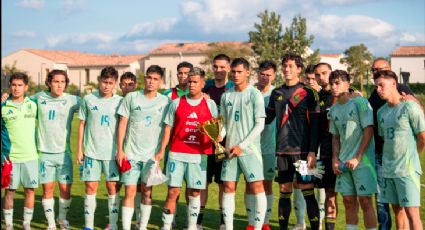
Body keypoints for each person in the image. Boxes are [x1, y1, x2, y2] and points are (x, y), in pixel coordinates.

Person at [155, 67, 219, 230]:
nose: (191, 85)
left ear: (203, 83)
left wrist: (216, 138)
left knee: (195, 193)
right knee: (172, 192)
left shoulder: (210, 104)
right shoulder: (176, 103)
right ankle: (166, 226)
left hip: (199, 156)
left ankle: (191, 226)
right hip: (176, 153)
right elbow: (168, 127)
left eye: (195, 82)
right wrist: (162, 150)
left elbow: (216, 130)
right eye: (189, 81)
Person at [266, 53, 321, 230]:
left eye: (291, 66)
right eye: (284, 65)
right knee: (284, 192)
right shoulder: (276, 93)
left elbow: (315, 126)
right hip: (282, 152)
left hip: (302, 152)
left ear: (299, 69)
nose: (287, 69)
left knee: (308, 192)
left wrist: (312, 151)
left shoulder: (309, 93)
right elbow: (266, 118)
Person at [117, 65, 170, 230]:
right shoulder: (132, 97)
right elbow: (123, 124)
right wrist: (120, 150)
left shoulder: (165, 101)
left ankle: (142, 226)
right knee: (129, 192)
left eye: (155, 79)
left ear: (161, 82)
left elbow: (168, 127)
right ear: (144, 78)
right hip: (131, 154)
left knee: (147, 192)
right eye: (148, 77)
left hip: (151, 157)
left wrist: (161, 151)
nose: (151, 82)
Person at [374, 70, 424, 230]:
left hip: (407, 170)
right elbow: (386, 139)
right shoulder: (381, 112)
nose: (378, 90)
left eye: (382, 85)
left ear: (394, 84)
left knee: (412, 214)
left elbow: (422, 137)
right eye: (376, 87)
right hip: (388, 170)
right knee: (398, 213)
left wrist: (412, 158)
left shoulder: (409, 107)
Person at [220, 58, 266, 230]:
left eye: (239, 72)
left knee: (256, 186)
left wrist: (243, 146)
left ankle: (258, 226)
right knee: (228, 186)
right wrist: (219, 136)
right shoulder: (226, 95)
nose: (236, 75)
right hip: (230, 150)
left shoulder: (255, 94)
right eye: (233, 71)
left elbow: (259, 124)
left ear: (247, 72)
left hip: (250, 150)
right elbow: (224, 123)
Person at [368, 57, 413, 230]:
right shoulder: (373, 96)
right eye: (373, 70)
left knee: (403, 204)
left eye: (380, 69)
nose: (376, 73)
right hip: (380, 155)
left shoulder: (402, 90)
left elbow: (416, 116)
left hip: (401, 157)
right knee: (381, 200)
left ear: (390, 70)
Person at [329, 70, 377, 230]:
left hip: (362, 162)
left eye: (338, 83)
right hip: (343, 162)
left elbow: (368, 130)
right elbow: (335, 137)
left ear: (348, 84)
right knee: (348, 202)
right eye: (332, 83)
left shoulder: (360, 103)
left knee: (365, 201)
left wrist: (357, 157)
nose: (334, 86)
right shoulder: (334, 110)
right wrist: (335, 158)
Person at [33, 70, 80, 230]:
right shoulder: (38, 98)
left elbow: (93, 105)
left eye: (62, 82)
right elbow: (20, 102)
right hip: (44, 154)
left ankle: (62, 219)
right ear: (49, 82)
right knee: (48, 190)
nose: (59, 85)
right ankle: (51, 224)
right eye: (56, 81)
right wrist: (6, 98)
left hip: (64, 153)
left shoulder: (73, 100)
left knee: (66, 190)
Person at [77, 66, 123, 230]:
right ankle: (88, 226)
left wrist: (121, 150)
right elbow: (82, 124)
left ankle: (113, 225)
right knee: (90, 187)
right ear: (99, 81)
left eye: (110, 83)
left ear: (115, 84)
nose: (107, 86)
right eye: (104, 82)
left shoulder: (120, 102)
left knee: (112, 188)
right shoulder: (88, 99)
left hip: (112, 154)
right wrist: (79, 149)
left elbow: (123, 127)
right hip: (91, 152)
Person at [199, 53, 234, 229]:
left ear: (228, 68)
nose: (218, 70)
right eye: (216, 67)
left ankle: (222, 222)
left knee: (223, 184)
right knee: (203, 182)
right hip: (206, 144)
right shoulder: (207, 87)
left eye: (222, 67)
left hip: (225, 144)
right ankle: (198, 221)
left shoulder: (233, 87)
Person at [1, 72, 38, 230]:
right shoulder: (3, 106)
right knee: (10, 192)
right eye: (14, 85)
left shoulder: (33, 104)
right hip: (11, 158)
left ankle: (26, 225)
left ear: (26, 87)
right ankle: (9, 226)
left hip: (31, 157)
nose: (16, 88)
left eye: (20, 85)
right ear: (9, 86)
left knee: (30, 191)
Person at [251, 60, 276, 230]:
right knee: (251, 184)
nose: (265, 78)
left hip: (269, 147)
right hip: (250, 147)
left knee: (267, 183)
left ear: (274, 76)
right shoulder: (249, 92)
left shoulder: (277, 94)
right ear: (257, 73)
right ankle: (253, 222)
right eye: (262, 74)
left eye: (269, 75)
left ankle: (265, 221)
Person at [314, 63, 338, 230]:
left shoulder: (347, 95)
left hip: (347, 152)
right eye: (317, 74)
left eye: (324, 73)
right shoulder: (317, 98)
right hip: (326, 152)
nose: (321, 77)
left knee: (354, 197)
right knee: (329, 193)